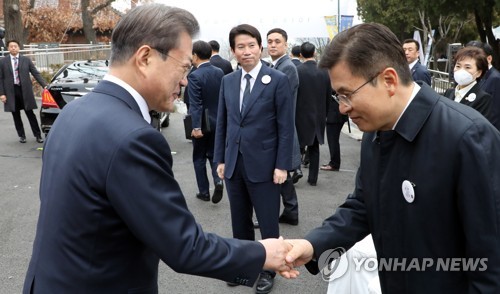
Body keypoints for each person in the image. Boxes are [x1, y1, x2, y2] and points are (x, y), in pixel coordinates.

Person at [22, 5, 292, 293]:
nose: (186, 80)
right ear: (146, 57)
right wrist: (264, 254)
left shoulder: (73, 112)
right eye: (184, 66)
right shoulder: (134, 138)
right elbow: (185, 246)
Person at [281, 23, 500, 293]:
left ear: (388, 80)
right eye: (337, 95)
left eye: (347, 94)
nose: (342, 107)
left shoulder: (468, 137)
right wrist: (313, 245)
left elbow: (491, 263)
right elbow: (364, 205)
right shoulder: (376, 131)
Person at [214, 23, 294, 294]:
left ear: (260, 48)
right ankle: (244, 267)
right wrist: (220, 160)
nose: (246, 51)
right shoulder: (228, 81)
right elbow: (223, 125)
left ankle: (269, 270)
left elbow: (286, 126)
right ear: (233, 51)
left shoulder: (277, 80)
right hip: (234, 163)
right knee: (240, 221)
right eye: (240, 47)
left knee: (268, 221)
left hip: (266, 165)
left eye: (251, 45)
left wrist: (283, 164)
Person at [266, 28, 301, 225]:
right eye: (269, 41)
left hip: (281, 129)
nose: (272, 45)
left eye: (277, 41)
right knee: (283, 176)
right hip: (278, 129)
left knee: (279, 174)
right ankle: (290, 211)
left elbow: (274, 101)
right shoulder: (276, 65)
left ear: (286, 44)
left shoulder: (287, 67)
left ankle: (286, 212)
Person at [188, 40, 225, 203]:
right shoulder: (219, 72)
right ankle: (218, 180)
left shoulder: (194, 75)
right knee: (214, 154)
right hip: (218, 121)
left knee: (199, 158)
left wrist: (196, 126)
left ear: (195, 55)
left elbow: (196, 103)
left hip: (202, 123)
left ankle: (204, 192)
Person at [295, 42, 330, 186]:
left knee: (297, 145)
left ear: (301, 55)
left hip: (301, 114)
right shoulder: (324, 71)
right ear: (314, 53)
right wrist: (325, 113)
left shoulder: (297, 70)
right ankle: (313, 179)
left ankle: (296, 171)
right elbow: (328, 95)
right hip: (319, 114)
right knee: (314, 147)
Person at [0, 40, 46, 143]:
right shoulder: (3, 62)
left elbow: (35, 73)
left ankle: (37, 135)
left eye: (15, 46)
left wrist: (45, 85)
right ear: (8, 48)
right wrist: (2, 94)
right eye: (11, 46)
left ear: (19, 47)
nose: (13, 48)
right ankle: (21, 135)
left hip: (25, 90)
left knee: (30, 113)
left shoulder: (26, 60)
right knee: (16, 114)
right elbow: (1, 78)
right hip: (11, 91)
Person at [443, 46, 492, 121]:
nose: (461, 71)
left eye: (467, 67)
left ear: (478, 72)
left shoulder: (483, 99)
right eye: (458, 66)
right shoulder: (449, 92)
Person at [466, 40, 500, 131]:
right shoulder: (474, 75)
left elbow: (495, 113)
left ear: (489, 59)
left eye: (477, 57)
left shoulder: (495, 78)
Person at [320, 91, 348, 171]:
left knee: (333, 141)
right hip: (338, 114)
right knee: (333, 140)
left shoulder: (335, 83)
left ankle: (334, 163)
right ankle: (334, 162)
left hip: (334, 115)